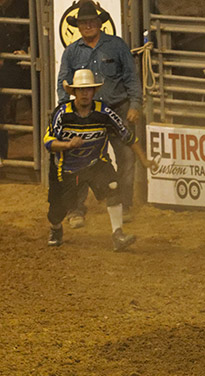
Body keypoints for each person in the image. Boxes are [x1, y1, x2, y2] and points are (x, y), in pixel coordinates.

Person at [45, 69, 156, 250]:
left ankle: (118, 234)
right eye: (81, 90)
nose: (85, 93)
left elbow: (127, 136)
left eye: (88, 89)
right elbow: (48, 141)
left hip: (95, 163)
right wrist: (67, 145)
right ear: (74, 92)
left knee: (113, 187)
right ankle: (56, 228)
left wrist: (144, 160)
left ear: (93, 92)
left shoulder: (104, 112)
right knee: (57, 209)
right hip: (65, 168)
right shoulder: (62, 113)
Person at [57, 0, 142, 227]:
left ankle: (123, 204)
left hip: (117, 108)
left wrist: (134, 104)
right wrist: (67, 111)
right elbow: (62, 82)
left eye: (91, 21)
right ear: (78, 26)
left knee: (125, 156)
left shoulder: (117, 46)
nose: (88, 25)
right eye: (83, 22)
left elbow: (131, 78)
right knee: (80, 158)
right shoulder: (71, 52)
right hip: (87, 112)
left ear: (99, 22)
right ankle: (76, 208)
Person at [0, 0, 30, 167]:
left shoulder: (23, 6)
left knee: (38, 102)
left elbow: (33, 32)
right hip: (9, 63)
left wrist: (27, 51)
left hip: (19, 63)